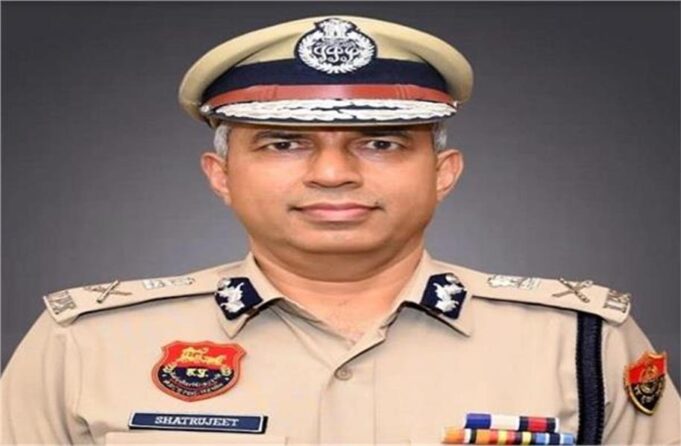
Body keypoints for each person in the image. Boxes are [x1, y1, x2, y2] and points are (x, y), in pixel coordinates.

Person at [1, 15, 678, 445]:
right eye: (283, 143)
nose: (332, 173)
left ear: (443, 173)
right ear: (220, 174)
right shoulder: (84, 345)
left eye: (380, 144)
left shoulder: (580, 342)